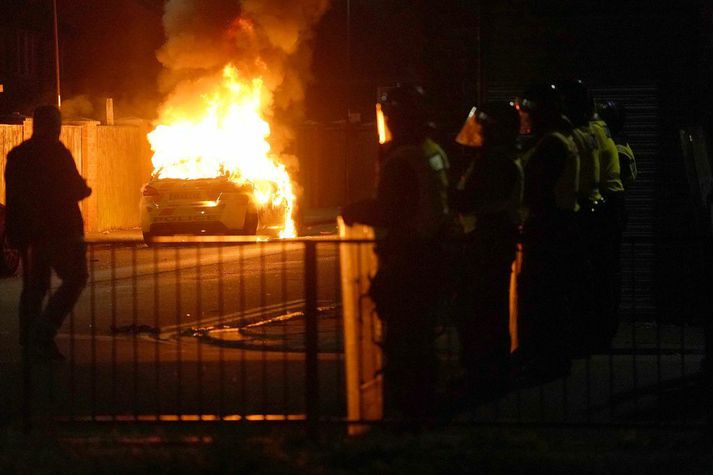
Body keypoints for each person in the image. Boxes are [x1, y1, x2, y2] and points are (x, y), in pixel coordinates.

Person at [341, 84, 451, 420]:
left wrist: (355, 210)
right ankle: (423, 405)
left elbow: (391, 210)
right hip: (432, 251)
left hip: (409, 257)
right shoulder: (432, 150)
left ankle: (408, 413)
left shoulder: (403, 158)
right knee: (420, 335)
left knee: (404, 337)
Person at [5, 105, 92, 361]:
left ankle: (29, 342)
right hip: (59, 231)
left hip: (30, 234)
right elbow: (74, 189)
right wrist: (83, 189)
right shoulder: (57, 153)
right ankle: (42, 334)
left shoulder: (18, 155)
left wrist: (16, 231)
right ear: (55, 126)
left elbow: (14, 198)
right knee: (76, 278)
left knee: (34, 288)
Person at [449, 101, 523, 404]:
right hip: (494, 239)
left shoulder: (494, 162)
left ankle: (483, 377)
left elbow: (467, 201)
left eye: (481, 125)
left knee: (479, 311)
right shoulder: (501, 158)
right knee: (488, 310)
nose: (476, 130)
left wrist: (444, 189)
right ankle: (490, 373)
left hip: (487, 241)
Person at [514, 83, 581, 384]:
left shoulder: (552, 143)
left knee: (543, 294)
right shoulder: (557, 139)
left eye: (528, 111)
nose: (525, 118)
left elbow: (536, 187)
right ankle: (549, 356)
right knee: (551, 294)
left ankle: (547, 359)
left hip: (550, 226)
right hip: (557, 224)